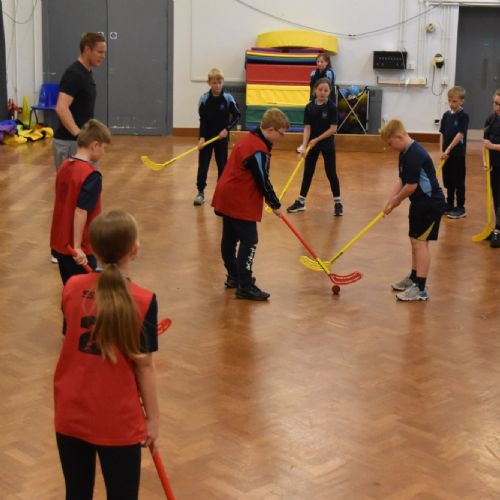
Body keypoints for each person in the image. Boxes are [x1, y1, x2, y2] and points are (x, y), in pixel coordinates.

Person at [54, 210, 160, 500]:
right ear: (134, 249)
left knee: (76, 493)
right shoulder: (143, 299)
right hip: (118, 418)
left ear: (94, 249)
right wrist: (153, 419)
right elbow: (144, 366)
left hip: (71, 411)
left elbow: (70, 332)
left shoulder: (72, 287)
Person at [211, 108, 288, 301]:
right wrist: (275, 204)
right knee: (249, 240)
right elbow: (263, 180)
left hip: (227, 192)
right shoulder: (258, 148)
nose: (282, 137)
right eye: (281, 134)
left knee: (229, 238)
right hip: (238, 198)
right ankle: (245, 285)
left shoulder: (248, 137)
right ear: (271, 129)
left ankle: (234, 277)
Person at [381, 119, 446, 301]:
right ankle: (413, 278)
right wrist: (389, 201)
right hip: (418, 204)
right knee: (414, 241)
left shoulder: (415, 154)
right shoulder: (404, 153)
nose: (390, 147)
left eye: (390, 143)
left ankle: (421, 289)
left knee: (420, 244)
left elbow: (411, 186)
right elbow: (401, 180)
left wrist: (395, 202)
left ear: (399, 137)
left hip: (430, 204)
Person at [50, 119, 111, 285]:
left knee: (69, 290)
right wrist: (77, 247)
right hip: (79, 250)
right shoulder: (92, 175)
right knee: (85, 297)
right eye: (104, 148)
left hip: (60, 244)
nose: (104, 152)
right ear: (95, 145)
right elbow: (81, 211)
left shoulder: (64, 165)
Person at [287, 78, 343, 216]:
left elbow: (333, 129)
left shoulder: (332, 107)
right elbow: (307, 127)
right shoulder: (309, 107)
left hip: (326, 144)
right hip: (312, 145)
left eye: (326, 90)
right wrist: (304, 146)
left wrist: (317, 139)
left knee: (331, 173)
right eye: (320, 90)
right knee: (308, 172)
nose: (322, 93)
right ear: (315, 91)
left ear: (329, 92)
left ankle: (338, 203)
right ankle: (301, 202)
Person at [53, 32, 107, 171]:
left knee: (89, 186)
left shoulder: (87, 73)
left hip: (82, 143)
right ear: (87, 50)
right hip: (70, 143)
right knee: (73, 190)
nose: (103, 56)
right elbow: (61, 107)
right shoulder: (74, 74)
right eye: (99, 52)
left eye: (104, 52)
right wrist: (79, 134)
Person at [194, 68, 240, 206]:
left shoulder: (228, 98)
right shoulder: (204, 99)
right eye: (214, 83)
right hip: (207, 138)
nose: (217, 85)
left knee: (222, 166)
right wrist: (201, 137)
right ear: (209, 83)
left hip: (221, 138)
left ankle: (221, 193)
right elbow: (202, 120)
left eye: (220, 82)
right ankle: (200, 192)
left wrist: (227, 129)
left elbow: (237, 115)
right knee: (203, 166)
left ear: (223, 82)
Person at [439, 86, 469, 218]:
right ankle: (449, 204)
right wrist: (442, 150)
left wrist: (449, 149)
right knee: (448, 180)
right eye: (449, 101)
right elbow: (442, 133)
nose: (451, 104)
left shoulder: (464, 116)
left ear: (461, 101)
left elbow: (460, 135)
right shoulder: (446, 116)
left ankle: (460, 207)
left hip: (457, 154)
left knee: (458, 181)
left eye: (454, 101)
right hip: (446, 155)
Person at [483, 88, 500, 248]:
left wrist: (492, 146)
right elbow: (484, 143)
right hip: (494, 166)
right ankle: (496, 227)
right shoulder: (491, 119)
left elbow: (490, 145)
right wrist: (485, 161)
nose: (497, 107)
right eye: (495, 103)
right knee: (495, 196)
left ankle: (498, 231)